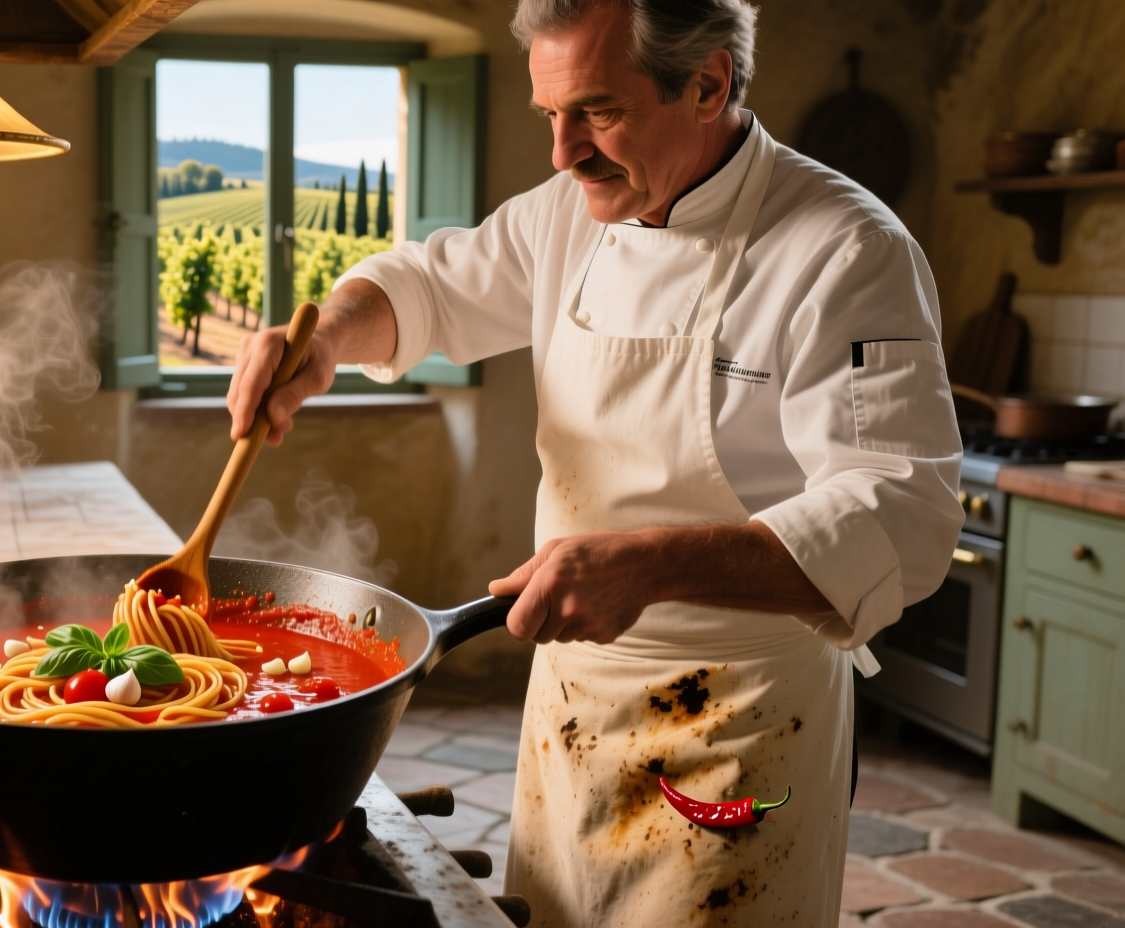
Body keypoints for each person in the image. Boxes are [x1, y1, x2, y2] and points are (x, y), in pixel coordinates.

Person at [225, 0, 964, 923]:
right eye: (551, 115)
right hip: (571, 705)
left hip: (739, 722)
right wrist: (328, 338)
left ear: (708, 84)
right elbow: (426, 284)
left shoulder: (845, 248)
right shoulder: (569, 216)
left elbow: (904, 514)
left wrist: (649, 563)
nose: (561, 151)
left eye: (599, 112)